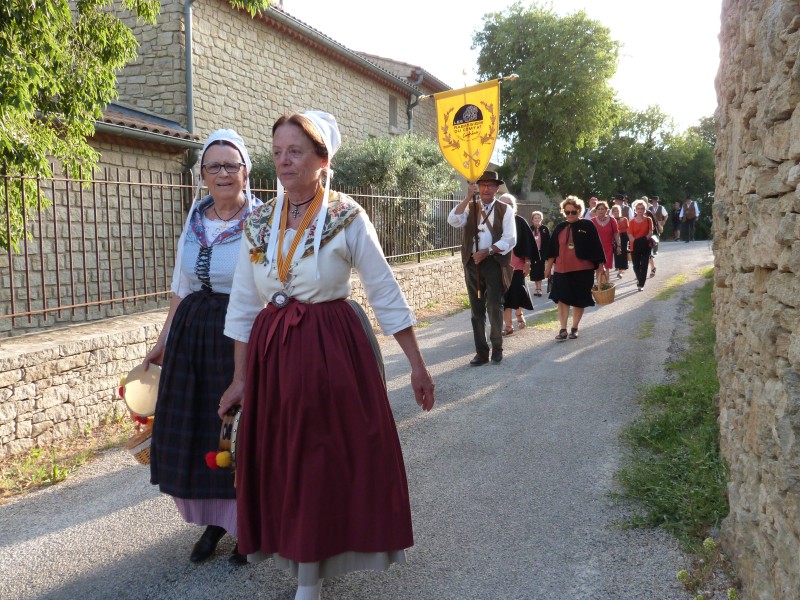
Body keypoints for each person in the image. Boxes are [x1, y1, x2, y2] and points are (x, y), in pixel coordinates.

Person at [221, 111, 435, 600]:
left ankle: (310, 578)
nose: (283, 161)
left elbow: (384, 290)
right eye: (276, 152)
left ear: (323, 159)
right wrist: (240, 378)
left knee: (320, 461)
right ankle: (302, 559)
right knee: (286, 461)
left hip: (330, 353)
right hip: (273, 358)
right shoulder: (258, 221)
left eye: (295, 151)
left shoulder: (346, 215)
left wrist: (417, 365)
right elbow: (242, 305)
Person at [144, 129, 261, 564]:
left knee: (243, 430)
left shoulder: (263, 220)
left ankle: (249, 526)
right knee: (204, 432)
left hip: (243, 336)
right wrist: (163, 342)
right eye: (214, 166)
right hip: (195, 337)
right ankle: (216, 523)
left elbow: (269, 288)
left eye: (232, 165)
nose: (223, 173)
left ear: (246, 172)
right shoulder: (196, 217)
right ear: (202, 175)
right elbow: (181, 286)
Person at [448, 170, 516, 365]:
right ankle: (481, 352)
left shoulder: (505, 210)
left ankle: (497, 347)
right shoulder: (470, 207)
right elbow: (453, 220)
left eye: (490, 185)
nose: (486, 189)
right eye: (483, 185)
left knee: (494, 306)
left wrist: (488, 251)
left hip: (494, 263)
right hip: (472, 264)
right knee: (476, 309)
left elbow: (510, 239)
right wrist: (468, 196)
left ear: (496, 188)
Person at [543, 196, 606, 341]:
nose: (570, 215)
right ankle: (563, 329)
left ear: (579, 211)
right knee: (562, 300)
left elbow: (596, 246)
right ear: (564, 212)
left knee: (579, 299)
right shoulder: (560, 227)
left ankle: (574, 328)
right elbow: (552, 250)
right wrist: (548, 269)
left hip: (583, 270)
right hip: (561, 270)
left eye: (573, 212)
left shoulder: (588, 225)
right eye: (567, 212)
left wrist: (601, 266)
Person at [498, 193, 538, 334]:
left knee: (517, 291)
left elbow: (528, 243)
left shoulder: (519, 221)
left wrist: (527, 262)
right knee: (505, 296)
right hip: (501, 266)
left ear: (513, 207)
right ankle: (508, 326)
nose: (505, 207)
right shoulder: (495, 222)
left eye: (508, 204)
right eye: (502, 204)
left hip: (517, 265)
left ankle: (519, 315)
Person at [590, 201, 621, 279]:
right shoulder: (592, 221)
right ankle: (599, 288)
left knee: (606, 267)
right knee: (597, 268)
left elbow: (616, 233)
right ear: (596, 210)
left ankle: (606, 286)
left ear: (606, 210)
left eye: (603, 209)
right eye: (599, 209)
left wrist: (618, 245)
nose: (601, 211)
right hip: (596, 248)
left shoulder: (612, 220)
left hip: (608, 247)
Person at [628, 199, 654, 291]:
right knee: (636, 265)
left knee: (644, 265)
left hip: (646, 245)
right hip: (634, 245)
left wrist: (644, 240)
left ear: (645, 209)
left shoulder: (648, 220)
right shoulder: (631, 221)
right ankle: (639, 279)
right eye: (638, 208)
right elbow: (630, 235)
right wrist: (637, 241)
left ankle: (641, 284)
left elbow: (650, 232)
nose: (640, 210)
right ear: (635, 209)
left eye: (642, 208)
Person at [529, 210, 550, 296]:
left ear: (541, 219)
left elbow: (549, 241)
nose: (537, 219)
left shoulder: (544, 229)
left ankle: (539, 288)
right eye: (535, 218)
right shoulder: (530, 229)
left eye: (538, 218)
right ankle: (536, 288)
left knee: (540, 270)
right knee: (534, 270)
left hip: (541, 253)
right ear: (532, 219)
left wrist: (548, 254)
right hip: (533, 253)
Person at [611, 204, 629, 279]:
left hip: (623, 237)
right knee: (617, 254)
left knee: (623, 253)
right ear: (612, 212)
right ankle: (619, 270)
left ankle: (621, 270)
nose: (616, 212)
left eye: (617, 211)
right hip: (615, 237)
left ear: (620, 211)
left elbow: (628, 229)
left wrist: (630, 239)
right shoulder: (611, 220)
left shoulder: (624, 219)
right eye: (614, 211)